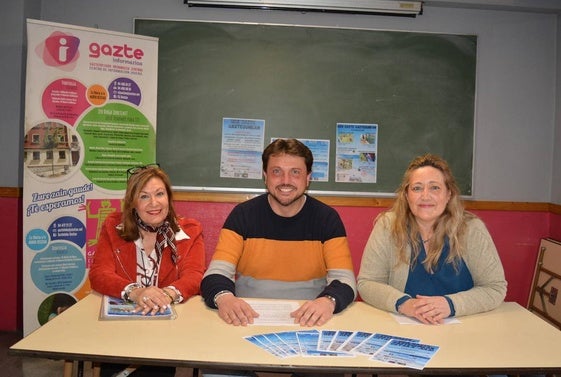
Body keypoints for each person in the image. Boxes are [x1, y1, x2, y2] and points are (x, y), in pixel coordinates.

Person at [200, 139, 356, 376]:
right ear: (265, 176)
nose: (285, 181)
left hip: (310, 320)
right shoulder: (242, 215)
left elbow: (345, 280)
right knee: (218, 371)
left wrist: (328, 302)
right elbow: (216, 274)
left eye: (295, 172)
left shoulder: (327, 218)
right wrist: (224, 298)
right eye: (276, 172)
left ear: (308, 177)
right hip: (246, 317)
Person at [357, 153, 507, 325]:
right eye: (417, 188)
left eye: (435, 187)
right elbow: (367, 282)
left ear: (448, 194)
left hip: (465, 330)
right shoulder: (387, 226)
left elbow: (495, 288)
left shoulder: (471, 229)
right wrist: (405, 304)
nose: (425, 196)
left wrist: (450, 305)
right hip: (404, 329)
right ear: (406, 195)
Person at [89, 164, 206, 377]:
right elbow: (99, 274)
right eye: (144, 197)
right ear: (133, 203)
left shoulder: (189, 231)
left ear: (169, 199)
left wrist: (165, 295)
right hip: (119, 329)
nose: (154, 203)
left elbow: (195, 276)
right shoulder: (114, 226)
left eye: (160, 194)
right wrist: (136, 292)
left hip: (165, 330)